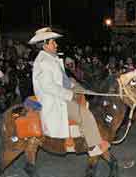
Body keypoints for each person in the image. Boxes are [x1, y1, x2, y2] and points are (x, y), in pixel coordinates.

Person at [29, 27, 106, 155]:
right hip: (55, 99)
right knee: (86, 115)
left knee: (87, 97)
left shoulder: (52, 58)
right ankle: (93, 147)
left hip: (61, 94)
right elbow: (49, 86)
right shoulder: (43, 62)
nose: (56, 44)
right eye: (53, 42)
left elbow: (62, 80)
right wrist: (70, 95)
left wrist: (76, 86)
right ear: (45, 45)